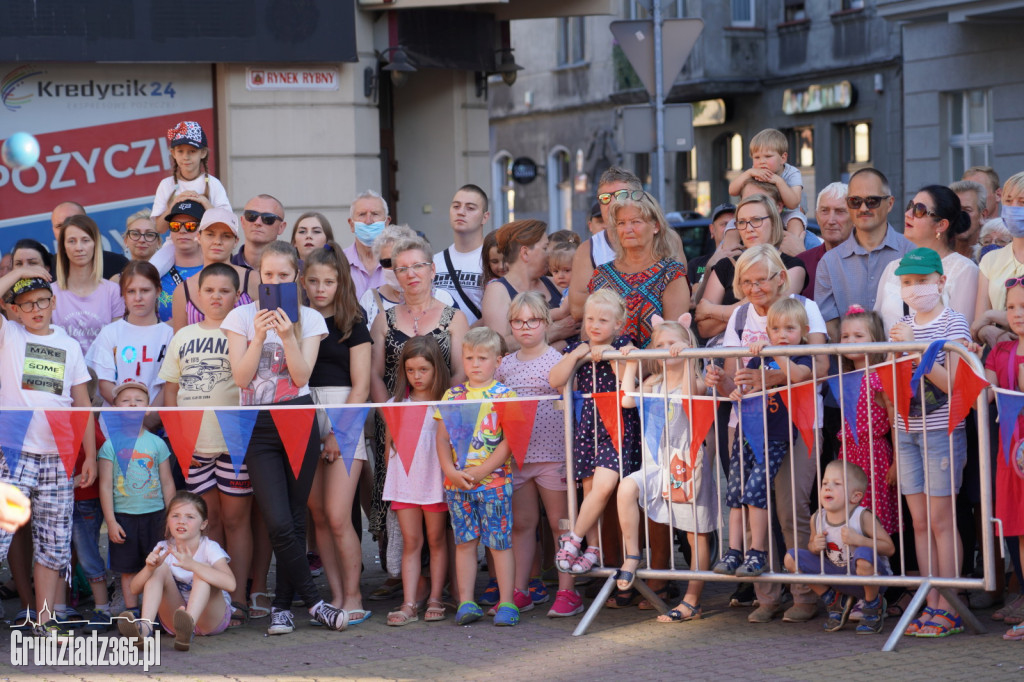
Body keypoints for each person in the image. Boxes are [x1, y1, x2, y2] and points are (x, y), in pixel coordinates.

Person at [222, 241, 347, 634]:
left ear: (297, 279)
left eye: (284, 276)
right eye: (268, 275)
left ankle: (281, 607)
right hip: (256, 423)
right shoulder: (240, 316)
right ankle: (315, 603)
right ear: (258, 276)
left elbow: (300, 377)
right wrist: (259, 337)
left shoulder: (309, 319)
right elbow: (241, 379)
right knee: (276, 519)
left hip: (297, 417)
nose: (275, 282)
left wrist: (288, 335)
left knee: (295, 519)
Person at [708, 245, 828, 622]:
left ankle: (805, 594)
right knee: (748, 500)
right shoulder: (741, 314)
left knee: (790, 506)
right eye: (747, 281)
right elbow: (731, 374)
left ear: (780, 276)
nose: (755, 287)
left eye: (762, 279)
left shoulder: (804, 308)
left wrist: (772, 376)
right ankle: (766, 595)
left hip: (799, 419)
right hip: (745, 422)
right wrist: (718, 381)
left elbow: (821, 366)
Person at [0, 271, 96, 634]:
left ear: (54, 302)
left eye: (42, 300)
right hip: (14, 453)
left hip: (59, 457)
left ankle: (45, 621)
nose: (36, 309)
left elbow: (82, 403)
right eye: (27, 304)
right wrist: (22, 273)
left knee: (54, 543)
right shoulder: (9, 335)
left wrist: (88, 456)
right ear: (14, 310)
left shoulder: (70, 345)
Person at [159, 262, 251, 627]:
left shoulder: (242, 332)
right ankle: (212, 598)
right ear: (198, 295)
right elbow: (169, 387)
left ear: (236, 296)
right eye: (209, 290)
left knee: (236, 520)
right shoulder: (182, 336)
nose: (216, 296)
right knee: (208, 524)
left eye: (224, 291)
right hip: (194, 446)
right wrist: (175, 430)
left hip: (234, 442)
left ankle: (239, 598)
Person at [887, 247, 971, 637]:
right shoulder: (902, 324)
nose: (914, 288)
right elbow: (895, 384)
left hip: (942, 432)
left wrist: (917, 346)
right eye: (907, 282)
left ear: (940, 281)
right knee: (919, 523)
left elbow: (952, 383)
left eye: (921, 281)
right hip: (907, 431)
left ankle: (949, 603)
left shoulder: (953, 323)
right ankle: (929, 597)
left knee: (941, 521)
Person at [369, 237, 468, 565]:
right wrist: (392, 417)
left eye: (417, 266)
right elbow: (375, 373)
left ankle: (449, 581)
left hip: (442, 422)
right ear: (394, 275)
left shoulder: (453, 318)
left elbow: (460, 373)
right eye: (402, 268)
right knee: (400, 498)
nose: (410, 274)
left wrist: (437, 416)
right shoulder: (384, 319)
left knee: (443, 500)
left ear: (432, 270)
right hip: (395, 420)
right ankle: (400, 577)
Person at [616, 316, 716, 623]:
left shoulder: (696, 379)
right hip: (656, 463)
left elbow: (688, 398)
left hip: (686, 466)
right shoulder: (652, 382)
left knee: (694, 533)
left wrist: (687, 359)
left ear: (687, 345)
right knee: (626, 488)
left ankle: (692, 598)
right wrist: (632, 362)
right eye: (659, 345)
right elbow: (627, 400)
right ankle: (632, 555)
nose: (666, 349)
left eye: (673, 343)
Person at [707, 298, 813, 578]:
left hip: (776, 435)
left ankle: (758, 552)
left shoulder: (804, 354)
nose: (781, 335)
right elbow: (738, 390)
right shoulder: (758, 358)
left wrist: (776, 352)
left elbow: (797, 375)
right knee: (735, 492)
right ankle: (733, 551)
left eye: (789, 329)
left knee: (756, 490)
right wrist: (722, 381)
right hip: (746, 430)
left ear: (804, 330)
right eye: (775, 329)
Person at [495, 292, 580, 618]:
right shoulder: (505, 366)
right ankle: (520, 590)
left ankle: (567, 591)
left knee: (561, 525)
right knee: (523, 524)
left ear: (545, 323)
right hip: (518, 458)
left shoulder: (558, 359)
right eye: (518, 321)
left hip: (553, 456)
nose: (525, 327)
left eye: (532, 320)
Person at [302, 243, 372, 626]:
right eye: (312, 280)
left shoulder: (352, 323)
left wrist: (338, 432)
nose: (320, 288)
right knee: (317, 514)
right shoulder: (296, 322)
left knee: (337, 514)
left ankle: (354, 595)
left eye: (328, 281)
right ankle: (335, 595)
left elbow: (361, 387)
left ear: (340, 282)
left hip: (344, 413)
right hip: (303, 413)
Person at [550, 290, 639, 574]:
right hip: (588, 425)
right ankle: (593, 547)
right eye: (590, 318)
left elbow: (631, 374)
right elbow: (555, 379)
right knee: (589, 490)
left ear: (618, 324)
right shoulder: (577, 348)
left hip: (617, 424)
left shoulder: (625, 344)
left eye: (603, 319)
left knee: (603, 487)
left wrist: (618, 356)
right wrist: (578, 353)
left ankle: (572, 538)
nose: (595, 325)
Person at [434, 327, 519, 626]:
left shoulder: (505, 395)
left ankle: (507, 602)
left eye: (483, 357)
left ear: (498, 360)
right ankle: (467, 601)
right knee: (465, 542)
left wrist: (484, 470)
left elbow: (509, 442)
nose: (475, 363)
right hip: (457, 484)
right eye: (469, 357)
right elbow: (442, 438)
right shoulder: (452, 395)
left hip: (495, 483)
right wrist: (449, 471)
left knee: (499, 542)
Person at [381, 336, 451, 625]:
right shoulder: (396, 403)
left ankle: (435, 597)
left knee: (436, 540)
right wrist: (394, 480)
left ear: (436, 369)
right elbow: (389, 447)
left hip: (435, 481)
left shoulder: (447, 402)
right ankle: (409, 602)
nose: (417, 376)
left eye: (423, 369)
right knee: (412, 541)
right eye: (411, 370)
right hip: (405, 482)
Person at [784, 461, 895, 634]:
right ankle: (833, 600)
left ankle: (873, 605)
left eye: (837, 484)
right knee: (791, 558)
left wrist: (859, 540)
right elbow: (812, 546)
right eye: (824, 483)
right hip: (837, 577)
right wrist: (814, 546)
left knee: (863, 554)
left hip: (871, 579)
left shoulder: (862, 516)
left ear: (855, 497)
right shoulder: (817, 518)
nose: (828, 488)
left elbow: (889, 548)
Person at [118, 492, 236, 652]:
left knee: (203, 572)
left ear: (203, 524)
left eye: (190, 517)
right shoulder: (163, 548)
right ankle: (145, 629)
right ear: (167, 522)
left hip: (211, 619)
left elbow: (231, 584)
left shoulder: (209, 547)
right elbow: (134, 589)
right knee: (159, 569)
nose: (182, 521)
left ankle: (189, 625)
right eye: (175, 516)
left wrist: (193, 565)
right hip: (175, 621)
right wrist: (149, 568)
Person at [98, 381, 175, 619]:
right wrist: (110, 521)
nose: (132, 403)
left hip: (156, 516)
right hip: (124, 518)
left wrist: (170, 518)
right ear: (115, 409)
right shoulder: (110, 446)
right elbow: (105, 485)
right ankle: (132, 614)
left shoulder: (157, 443)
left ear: (148, 408)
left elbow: (167, 482)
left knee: (157, 566)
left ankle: (157, 615)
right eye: (125, 400)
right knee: (128, 569)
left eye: (139, 400)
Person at [815, 168, 913, 342]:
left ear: (890, 204)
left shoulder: (912, 254)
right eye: (855, 201)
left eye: (872, 201)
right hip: (851, 366)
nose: (863, 208)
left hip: (903, 363)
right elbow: (832, 328)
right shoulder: (829, 263)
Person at [695, 194, 807, 340]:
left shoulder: (792, 266)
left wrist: (712, 310)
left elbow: (772, 311)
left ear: (773, 222)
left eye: (756, 220)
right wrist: (747, 307)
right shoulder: (725, 266)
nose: (748, 228)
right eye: (741, 222)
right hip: (726, 356)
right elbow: (704, 329)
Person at [589, 191, 690, 348]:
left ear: (655, 226)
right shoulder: (602, 275)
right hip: (605, 368)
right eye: (621, 223)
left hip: (658, 368)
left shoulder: (671, 273)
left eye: (635, 222)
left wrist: (632, 367)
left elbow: (673, 337)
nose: (627, 229)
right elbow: (588, 332)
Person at [875, 185, 978, 332]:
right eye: (910, 206)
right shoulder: (893, 268)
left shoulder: (964, 270)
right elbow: (877, 328)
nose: (908, 214)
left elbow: (959, 338)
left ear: (941, 225)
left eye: (919, 210)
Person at [983, 279, 1024, 637]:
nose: (1017, 314)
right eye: (1011, 307)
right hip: (1012, 453)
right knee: (1020, 533)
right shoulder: (1000, 352)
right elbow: (988, 393)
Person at [836, 307, 898, 536]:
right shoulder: (843, 377)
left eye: (858, 336)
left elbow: (893, 420)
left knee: (873, 512)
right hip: (848, 454)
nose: (850, 341)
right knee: (850, 511)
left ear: (876, 339)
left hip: (874, 454)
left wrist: (897, 461)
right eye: (845, 336)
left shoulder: (879, 375)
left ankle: (877, 563)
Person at [480, 220, 577, 351]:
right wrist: (554, 331)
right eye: (545, 248)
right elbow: (498, 346)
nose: (550, 254)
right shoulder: (498, 291)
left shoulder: (556, 283)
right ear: (525, 253)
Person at [87, 261, 173, 406]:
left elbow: (170, 385)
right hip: (117, 423)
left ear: (158, 291)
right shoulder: (110, 333)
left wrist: (149, 419)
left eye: (145, 290)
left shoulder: (169, 335)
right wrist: (128, 415)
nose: (138, 298)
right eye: (131, 291)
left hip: (158, 423)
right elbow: (103, 382)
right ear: (123, 294)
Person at [170, 208, 258, 332]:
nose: (217, 242)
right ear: (199, 237)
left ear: (236, 241)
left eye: (226, 236)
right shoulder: (183, 290)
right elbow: (179, 345)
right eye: (210, 234)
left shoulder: (253, 280)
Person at [52, 214, 126, 355]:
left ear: (95, 244)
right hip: (66, 375)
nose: (79, 247)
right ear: (63, 247)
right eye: (71, 241)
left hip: (104, 375)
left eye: (85, 240)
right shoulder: (51, 293)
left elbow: (118, 345)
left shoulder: (112, 291)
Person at [727, 128, 809, 246]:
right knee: (733, 223)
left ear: (783, 158)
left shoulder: (792, 173)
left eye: (768, 156)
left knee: (796, 220)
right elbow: (732, 191)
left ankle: (794, 247)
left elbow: (793, 203)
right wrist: (748, 173)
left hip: (787, 211)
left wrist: (779, 181)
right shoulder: (754, 171)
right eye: (757, 157)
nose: (762, 162)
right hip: (758, 216)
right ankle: (730, 250)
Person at [973, 172, 1024, 349]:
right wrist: (987, 330)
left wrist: (991, 316)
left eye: (1022, 202)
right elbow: (978, 324)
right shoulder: (990, 260)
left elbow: (985, 317)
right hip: (1001, 361)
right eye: (1008, 201)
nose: (1014, 208)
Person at [150, 121, 230, 225]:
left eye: (192, 151)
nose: (186, 157)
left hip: (204, 242)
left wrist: (204, 202)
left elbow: (227, 223)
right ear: (173, 153)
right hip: (175, 242)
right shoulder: (166, 185)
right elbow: (159, 228)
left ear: (203, 153)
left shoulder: (213, 183)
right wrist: (175, 204)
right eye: (180, 151)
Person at [433, 185, 489, 324]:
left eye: (470, 208)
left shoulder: (493, 261)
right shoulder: (434, 261)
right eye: (456, 206)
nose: (461, 212)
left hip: (480, 342)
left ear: (485, 217)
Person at [50, 201, 129, 281]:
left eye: (74, 222)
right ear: (53, 230)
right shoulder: (47, 267)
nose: (66, 229)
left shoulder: (118, 263)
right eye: (59, 226)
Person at [799, 183, 852, 298]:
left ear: (854, 217)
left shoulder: (868, 262)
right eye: (824, 211)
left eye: (840, 211)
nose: (831, 220)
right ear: (816, 216)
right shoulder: (801, 263)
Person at [157, 201, 206, 322]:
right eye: (175, 225)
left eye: (190, 225)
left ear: (203, 229)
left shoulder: (215, 271)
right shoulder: (156, 271)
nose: (182, 230)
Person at [344, 191, 389, 298]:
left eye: (375, 214)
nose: (368, 221)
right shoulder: (338, 261)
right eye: (362, 214)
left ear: (387, 223)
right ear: (351, 225)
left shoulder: (399, 262)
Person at [687, 203, 736, 291]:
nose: (730, 228)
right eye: (725, 224)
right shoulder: (694, 265)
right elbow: (688, 300)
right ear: (712, 230)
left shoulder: (749, 260)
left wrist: (698, 287)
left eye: (735, 223)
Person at [232, 195, 288, 270]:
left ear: (281, 227)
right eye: (251, 215)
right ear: (242, 222)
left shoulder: (294, 268)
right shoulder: (225, 268)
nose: (257, 222)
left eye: (267, 218)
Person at [949, 180, 989, 261]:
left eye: (967, 210)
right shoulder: (938, 256)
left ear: (983, 215)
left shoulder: (990, 257)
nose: (959, 216)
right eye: (955, 210)